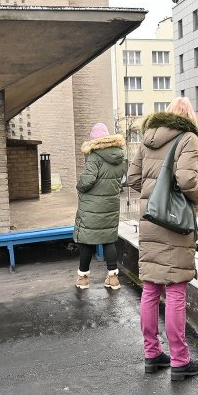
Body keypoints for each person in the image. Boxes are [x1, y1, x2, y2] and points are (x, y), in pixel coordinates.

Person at [127, 97, 198, 381]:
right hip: (174, 222)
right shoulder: (188, 138)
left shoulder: (148, 137)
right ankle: (180, 361)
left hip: (149, 218)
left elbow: (133, 177)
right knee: (174, 289)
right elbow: (186, 181)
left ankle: (152, 355)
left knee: (150, 288)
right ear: (190, 117)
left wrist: (152, 196)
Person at [74, 123, 126, 290]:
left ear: (94, 140)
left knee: (86, 241)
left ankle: (83, 279)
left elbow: (88, 180)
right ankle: (113, 279)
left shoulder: (94, 156)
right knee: (108, 240)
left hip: (92, 206)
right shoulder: (119, 156)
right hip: (110, 205)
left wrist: (79, 186)